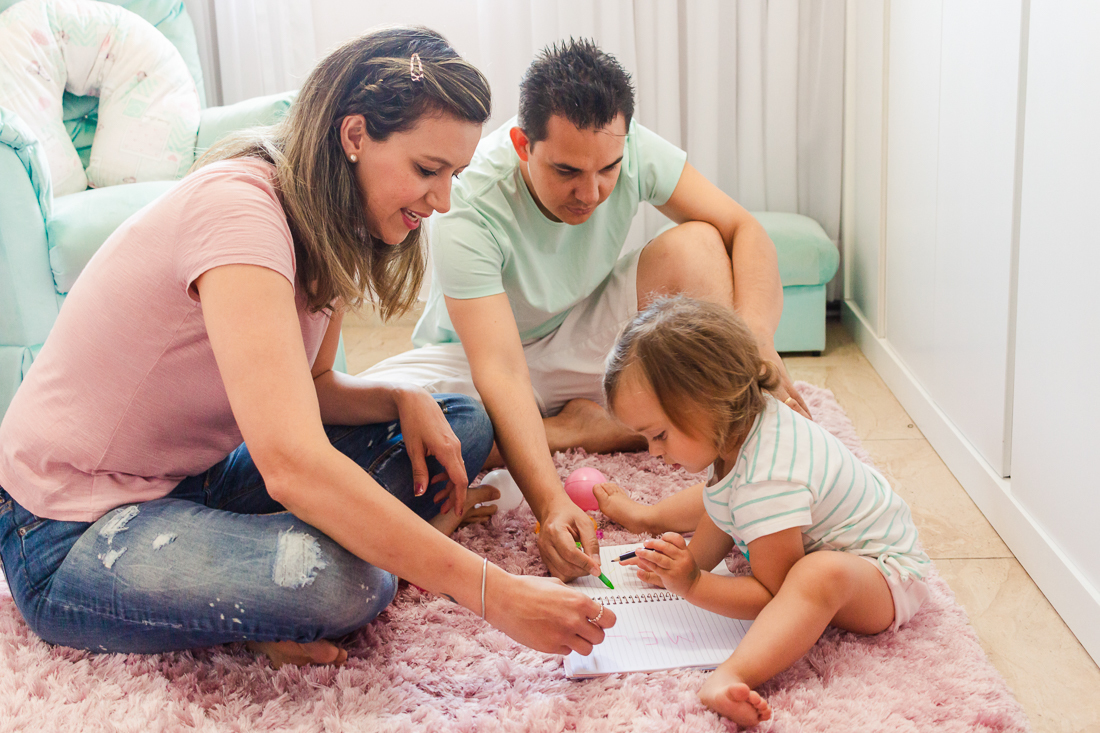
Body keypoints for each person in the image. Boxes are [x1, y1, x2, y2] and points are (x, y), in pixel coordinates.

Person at [0, 27, 615, 670]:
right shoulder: (240, 213)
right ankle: (276, 590)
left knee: (455, 422)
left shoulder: (330, 217)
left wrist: (399, 396)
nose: (443, 200)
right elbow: (291, 463)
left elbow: (313, 387)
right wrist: (495, 592)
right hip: (65, 530)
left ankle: (283, 565)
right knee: (347, 583)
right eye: (427, 170)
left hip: (195, 478)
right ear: (354, 136)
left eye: (454, 174)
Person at [361, 38, 810, 583]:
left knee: (700, 245)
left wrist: (756, 338)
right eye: (568, 171)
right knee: (411, 432)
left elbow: (744, 229)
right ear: (524, 145)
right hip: (474, 357)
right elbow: (500, 369)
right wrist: (550, 504)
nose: (591, 192)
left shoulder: (626, 146)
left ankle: (581, 426)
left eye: (608, 170)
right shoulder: (470, 199)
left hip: (583, 332)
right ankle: (590, 427)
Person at [601, 296, 931, 726]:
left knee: (813, 576)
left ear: (707, 400)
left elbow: (772, 595)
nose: (653, 451)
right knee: (789, 558)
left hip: (887, 578)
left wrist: (694, 584)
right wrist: (680, 565)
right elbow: (723, 508)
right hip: (847, 552)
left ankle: (732, 674)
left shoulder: (767, 476)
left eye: (659, 434)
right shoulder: (738, 436)